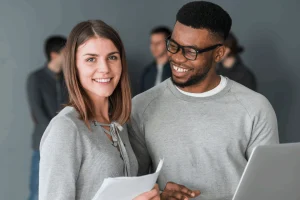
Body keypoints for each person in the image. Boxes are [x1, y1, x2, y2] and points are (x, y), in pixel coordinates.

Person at [128, 1, 279, 200]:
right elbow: (133, 186)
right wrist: (161, 194)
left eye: (191, 51)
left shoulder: (255, 109)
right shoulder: (141, 107)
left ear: (219, 53)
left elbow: (270, 189)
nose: (177, 58)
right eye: (173, 45)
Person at [39, 20, 159, 200]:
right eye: (91, 59)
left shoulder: (119, 124)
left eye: (112, 57)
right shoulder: (65, 129)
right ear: (74, 66)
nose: (104, 68)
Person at [26, 35, 68, 200]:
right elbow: (38, 113)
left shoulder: (68, 79)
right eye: (66, 51)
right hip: (43, 144)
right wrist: (58, 131)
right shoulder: (36, 78)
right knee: (37, 190)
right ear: (54, 54)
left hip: (66, 143)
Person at [140, 26, 172, 93]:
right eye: (152, 43)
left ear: (168, 43)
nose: (154, 47)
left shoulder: (176, 70)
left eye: (158, 43)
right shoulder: (147, 72)